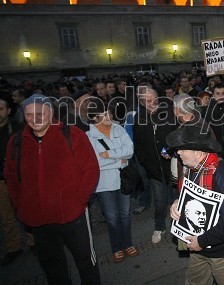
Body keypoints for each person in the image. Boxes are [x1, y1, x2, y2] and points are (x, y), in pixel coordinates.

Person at [3, 94, 101, 284]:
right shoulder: (17, 142)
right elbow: (11, 177)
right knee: (52, 266)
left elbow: (91, 169)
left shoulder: (72, 134)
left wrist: (79, 200)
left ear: (51, 113)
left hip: (72, 215)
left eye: (40, 113)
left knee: (85, 262)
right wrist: (21, 205)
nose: (35, 118)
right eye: (29, 114)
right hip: (39, 221)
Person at [168, 124, 224, 285]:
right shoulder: (191, 168)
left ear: (198, 153)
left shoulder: (221, 174)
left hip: (222, 251)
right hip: (197, 245)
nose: (178, 153)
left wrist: (202, 241)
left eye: (183, 149)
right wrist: (177, 203)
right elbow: (186, 194)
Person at [86, 99, 139, 263]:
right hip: (103, 183)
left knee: (124, 214)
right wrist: (118, 160)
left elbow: (129, 151)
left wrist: (108, 155)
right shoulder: (89, 136)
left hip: (123, 180)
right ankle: (117, 247)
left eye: (108, 113)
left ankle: (128, 243)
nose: (108, 116)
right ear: (94, 118)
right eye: (103, 114)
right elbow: (95, 162)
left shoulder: (119, 129)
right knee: (111, 216)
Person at [133, 86, 177, 244]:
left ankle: (180, 226)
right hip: (154, 170)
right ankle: (159, 227)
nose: (153, 103)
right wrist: (146, 164)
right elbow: (138, 146)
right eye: (148, 100)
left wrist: (169, 150)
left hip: (173, 166)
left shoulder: (168, 113)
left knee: (178, 199)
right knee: (159, 202)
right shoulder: (139, 119)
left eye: (155, 99)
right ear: (142, 102)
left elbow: (175, 135)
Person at [0, 98, 34, 265]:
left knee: (27, 208)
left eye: (0, 108)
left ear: (8, 111)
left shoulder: (20, 130)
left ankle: (34, 242)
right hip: (1, 181)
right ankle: (13, 247)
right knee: (6, 215)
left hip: (21, 177)